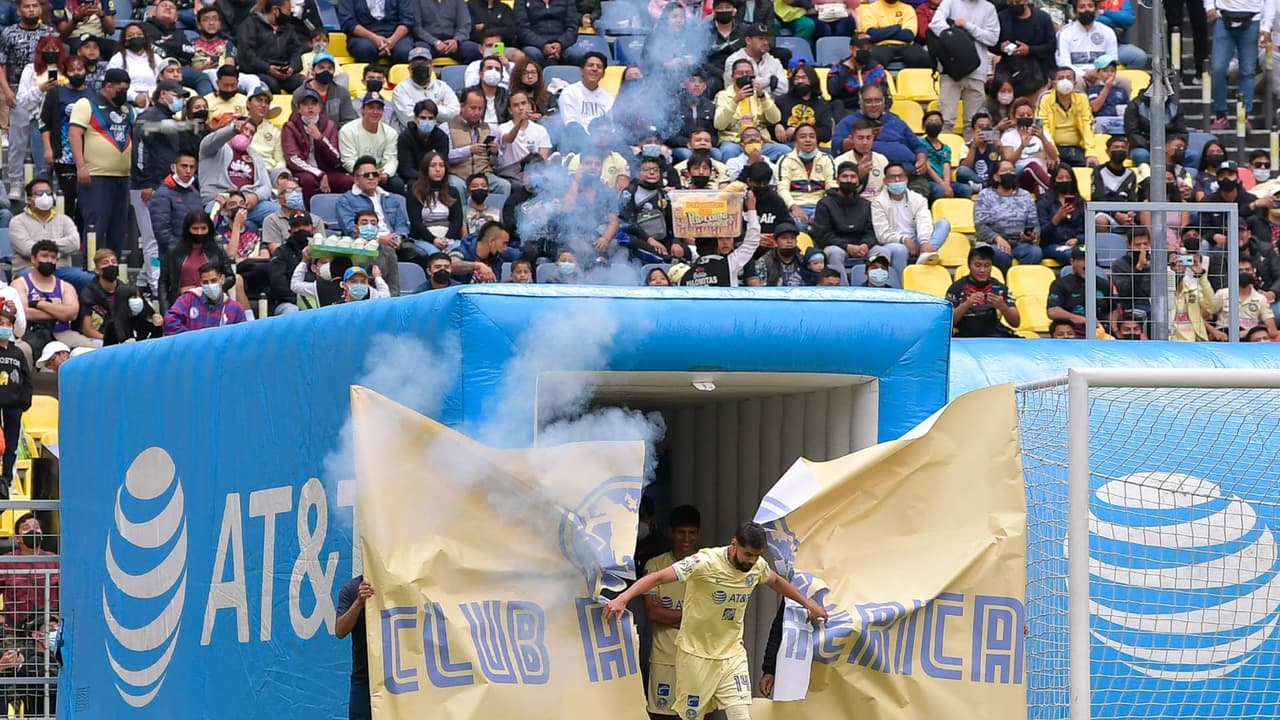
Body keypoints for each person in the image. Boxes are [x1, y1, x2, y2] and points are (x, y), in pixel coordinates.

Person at [603, 522, 828, 720]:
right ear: (733, 545)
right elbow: (659, 576)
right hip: (695, 655)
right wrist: (623, 598)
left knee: (740, 715)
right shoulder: (704, 562)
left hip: (731, 655)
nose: (751, 561)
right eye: (747, 554)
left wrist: (808, 604)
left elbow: (776, 581)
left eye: (756, 556)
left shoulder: (757, 566)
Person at [642, 504, 701, 720]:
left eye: (691, 533)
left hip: (699, 660)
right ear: (670, 533)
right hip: (664, 659)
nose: (686, 539)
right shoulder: (655, 565)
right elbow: (653, 613)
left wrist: (672, 616)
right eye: (680, 533)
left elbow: (713, 617)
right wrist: (691, 616)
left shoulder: (710, 566)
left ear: (698, 533)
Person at [70, 67, 134, 254]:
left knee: (118, 229)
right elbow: (75, 134)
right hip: (96, 176)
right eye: (119, 90)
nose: (122, 94)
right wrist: (80, 166)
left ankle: (113, 271)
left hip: (122, 176)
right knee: (96, 226)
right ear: (107, 85)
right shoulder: (87, 104)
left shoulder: (126, 109)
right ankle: (90, 269)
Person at [0, 0, 58, 200]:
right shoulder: (8, 33)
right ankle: (16, 181)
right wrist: (7, 91)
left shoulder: (50, 33)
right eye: (27, 6)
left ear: (40, 8)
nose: (31, 9)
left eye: (35, 5)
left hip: (45, 91)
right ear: (19, 10)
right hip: (18, 92)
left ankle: (43, 184)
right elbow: (2, 64)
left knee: (42, 141)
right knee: (17, 141)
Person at [338, 158, 415, 293]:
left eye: (375, 174)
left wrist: (397, 239)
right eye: (366, 175)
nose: (372, 178)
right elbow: (350, 229)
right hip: (363, 244)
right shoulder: (346, 200)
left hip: (394, 242)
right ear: (356, 179)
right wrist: (379, 239)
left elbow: (402, 225)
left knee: (421, 254)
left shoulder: (391, 197)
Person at [929, 0, 999, 137]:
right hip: (950, 70)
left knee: (974, 123)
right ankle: (946, 155)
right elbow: (935, 24)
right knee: (946, 120)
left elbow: (993, 38)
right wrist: (955, 35)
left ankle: (972, 155)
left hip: (977, 72)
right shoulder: (949, 2)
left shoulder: (989, 8)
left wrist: (968, 26)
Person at [39, 54, 94, 230]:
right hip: (63, 153)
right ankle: (65, 230)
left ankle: (82, 234)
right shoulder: (56, 93)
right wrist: (48, 148)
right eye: (72, 70)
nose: (76, 72)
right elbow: (44, 122)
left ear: (86, 70)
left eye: (80, 69)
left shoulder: (92, 94)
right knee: (68, 195)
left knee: (86, 198)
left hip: (88, 155)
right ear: (66, 72)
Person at [199, 118, 282, 228]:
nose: (248, 134)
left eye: (251, 132)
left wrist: (255, 196)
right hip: (221, 201)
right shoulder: (215, 149)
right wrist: (233, 130)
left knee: (281, 212)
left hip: (248, 203)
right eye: (245, 129)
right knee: (211, 213)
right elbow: (211, 141)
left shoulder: (256, 158)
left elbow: (266, 186)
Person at [10, 179, 92, 289]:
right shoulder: (17, 221)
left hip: (61, 269)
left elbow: (74, 244)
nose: (45, 196)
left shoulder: (64, 219)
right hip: (29, 269)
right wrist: (58, 250)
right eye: (39, 193)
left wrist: (43, 247)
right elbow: (27, 250)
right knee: (23, 279)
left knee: (90, 280)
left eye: (48, 193)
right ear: (29, 199)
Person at [16, 240, 94, 353]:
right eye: (44, 256)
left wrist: (39, 304)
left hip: (63, 333)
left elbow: (71, 314)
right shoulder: (20, 283)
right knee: (23, 350)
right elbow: (24, 313)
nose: (49, 260)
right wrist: (59, 313)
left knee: (92, 350)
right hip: (30, 333)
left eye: (53, 257)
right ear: (33, 259)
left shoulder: (65, 286)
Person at [871, 163, 949, 271]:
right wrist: (903, 239)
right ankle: (902, 282)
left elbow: (924, 222)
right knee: (900, 250)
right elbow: (882, 234)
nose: (897, 180)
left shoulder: (918, 199)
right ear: (885, 181)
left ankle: (924, 254)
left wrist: (924, 242)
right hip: (895, 243)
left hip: (917, 241)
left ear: (906, 179)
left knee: (944, 224)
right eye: (892, 177)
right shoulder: (878, 202)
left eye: (900, 176)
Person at [149, 151, 205, 299]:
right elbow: (162, 233)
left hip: (197, 255)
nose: (188, 171)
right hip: (173, 259)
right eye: (184, 166)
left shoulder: (195, 193)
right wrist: (184, 252)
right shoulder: (162, 194)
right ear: (174, 167)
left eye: (192, 167)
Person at [679, 189, 760, 286]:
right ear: (716, 245)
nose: (725, 242)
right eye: (720, 239)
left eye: (728, 238)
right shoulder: (729, 264)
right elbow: (752, 242)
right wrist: (751, 208)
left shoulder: (684, 277)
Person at [974, 158, 1042, 271]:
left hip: (1021, 243)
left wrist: (1031, 236)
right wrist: (997, 238)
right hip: (996, 243)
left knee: (1035, 252)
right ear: (996, 177)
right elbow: (980, 226)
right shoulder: (985, 195)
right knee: (999, 254)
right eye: (1005, 170)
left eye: (1012, 170)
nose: (1009, 173)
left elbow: (1034, 224)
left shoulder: (1025, 196)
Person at [285, 88, 353, 201]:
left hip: (326, 169)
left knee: (348, 181)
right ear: (299, 109)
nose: (310, 107)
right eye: (305, 104)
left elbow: (335, 158)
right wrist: (319, 174)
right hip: (303, 171)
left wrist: (320, 138)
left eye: (314, 104)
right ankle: (308, 214)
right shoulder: (290, 127)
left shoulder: (329, 125)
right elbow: (293, 158)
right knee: (308, 180)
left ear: (320, 108)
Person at [1206, 0, 1264, 130]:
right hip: (1223, 15)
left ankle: (1244, 116)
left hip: (1253, 16)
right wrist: (1209, 7)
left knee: (1248, 71)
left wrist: (1266, 25)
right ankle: (1220, 114)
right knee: (1218, 68)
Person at [714, 59, 787, 161]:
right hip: (735, 142)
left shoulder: (761, 94)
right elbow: (719, 125)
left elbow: (775, 119)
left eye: (748, 73)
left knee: (785, 150)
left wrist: (762, 97)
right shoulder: (723, 95)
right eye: (740, 73)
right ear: (732, 77)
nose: (744, 75)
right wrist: (735, 100)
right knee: (728, 151)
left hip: (760, 142)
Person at [445, 88, 511, 198]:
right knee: (457, 186)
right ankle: (463, 215)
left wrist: (495, 153)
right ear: (462, 106)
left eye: (480, 109)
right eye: (473, 108)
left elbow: (498, 164)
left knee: (504, 185)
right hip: (458, 175)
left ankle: (497, 215)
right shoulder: (447, 127)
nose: (477, 112)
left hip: (484, 175)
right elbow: (445, 157)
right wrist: (469, 150)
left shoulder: (490, 129)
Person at [946, 244, 1020, 337]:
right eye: (977, 265)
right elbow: (947, 324)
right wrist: (966, 305)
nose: (982, 270)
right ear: (969, 265)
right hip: (965, 335)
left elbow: (1016, 323)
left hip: (993, 334)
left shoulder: (999, 288)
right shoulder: (957, 287)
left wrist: (1002, 306)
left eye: (987, 265)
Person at [814, 161, 877, 270]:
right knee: (834, 253)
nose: (849, 180)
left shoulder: (866, 204)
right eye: (844, 176)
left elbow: (871, 230)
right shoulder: (825, 204)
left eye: (853, 177)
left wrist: (866, 244)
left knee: (882, 252)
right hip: (836, 246)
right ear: (837, 180)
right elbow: (822, 235)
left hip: (862, 246)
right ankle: (842, 286)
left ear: (858, 181)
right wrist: (847, 246)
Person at [1047, 244, 1118, 337]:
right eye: (1081, 259)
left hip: (1100, 332)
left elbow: (1113, 310)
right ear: (1072, 261)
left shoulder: (1104, 284)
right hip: (1072, 332)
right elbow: (1053, 311)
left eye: (1089, 259)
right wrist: (1084, 320)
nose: (1086, 263)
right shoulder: (1060, 284)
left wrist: (1114, 329)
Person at [340, 93, 404, 194]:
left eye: (379, 108)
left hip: (381, 173)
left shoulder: (391, 133)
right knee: (347, 182)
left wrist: (386, 173)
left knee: (397, 184)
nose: (375, 112)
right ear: (362, 110)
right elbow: (348, 161)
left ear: (383, 111)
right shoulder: (347, 130)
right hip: (357, 173)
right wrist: (368, 173)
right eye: (370, 108)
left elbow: (391, 160)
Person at [0, 515, 56, 628]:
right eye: (26, 528)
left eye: (36, 527)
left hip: (49, 630)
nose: (32, 531)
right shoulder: (6, 562)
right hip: (14, 632)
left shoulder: (54, 560)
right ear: (17, 538)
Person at [1036, 66, 1098, 168]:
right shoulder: (1045, 98)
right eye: (1061, 78)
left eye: (1069, 78)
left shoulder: (1082, 98)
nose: (1065, 81)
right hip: (1053, 147)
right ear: (1054, 83)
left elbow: (1088, 125)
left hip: (1077, 147)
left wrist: (1091, 153)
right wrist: (1051, 153)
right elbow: (1042, 126)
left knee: (1093, 167)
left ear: (1075, 83)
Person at [776, 124, 836, 227]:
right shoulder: (785, 160)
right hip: (795, 206)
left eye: (812, 136)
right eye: (803, 137)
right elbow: (782, 189)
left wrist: (821, 210)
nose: (808, 140)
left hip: (821, 206)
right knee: (796, 226)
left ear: (817, 140)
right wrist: (794, 207)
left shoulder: (827, 159)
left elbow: (832, 188)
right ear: (795, 141)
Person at [164, 262, 249, 334]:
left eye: (213, 281)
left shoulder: (235, 309)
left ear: (222, 279)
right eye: (205, 282)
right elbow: (170, 320)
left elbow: (242, 335)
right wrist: (189, 338)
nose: (210, 285)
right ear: (200, 283)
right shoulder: (188, 299)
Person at [995, 0, 1056, 99]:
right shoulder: (1002, 18)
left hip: (1039, 74)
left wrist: (1030, 50)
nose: (1014, 4)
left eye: (1018, 1)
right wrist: (1001, 47)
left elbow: (1051, 46)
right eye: (1011, 2)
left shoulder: (1043, 18)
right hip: (1010, 73)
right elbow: (992, 45)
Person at [392, 47, 461, 130]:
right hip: (412, 137)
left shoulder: (442, 86)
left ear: (432, 67)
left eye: (424, 64)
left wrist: (423, 111)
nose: (420, 67)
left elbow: (455, 114)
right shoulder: (401, 89)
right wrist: (439, 109)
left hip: (442, 134)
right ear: (409, 69)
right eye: (416, 65)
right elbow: (409, 119)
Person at [0, 308, 30, 495]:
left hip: (13, 407)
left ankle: (7, 481)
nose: (4, 327)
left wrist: (24, 401)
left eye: (8, 324)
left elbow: (27, 379)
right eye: (1, 323)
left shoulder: (17, 353)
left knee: (11, 446)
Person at [408, 152, 465, 252]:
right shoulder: (415, 192)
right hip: (425, 239)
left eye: (441, 166)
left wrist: (446, 239)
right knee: (435, 254)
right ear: (426, 169)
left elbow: (457, 220)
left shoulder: (452, 191)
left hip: (448, 238)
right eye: (433, 166)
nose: (438, 169)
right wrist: (433, 239)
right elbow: (416, 222)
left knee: (460, 252)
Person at [557, 52, 615, 149]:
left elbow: (611, 126)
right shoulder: (569, 92)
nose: (595, 69)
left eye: (599, 67)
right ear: (582, 71)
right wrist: (590, 140)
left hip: (603, 140)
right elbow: (570, 122)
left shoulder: (609, 97)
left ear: (604, 74)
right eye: (590, 65)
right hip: (576, 140)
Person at [336, 575, 374, 720]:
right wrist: (359, 602)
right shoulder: (351, 589)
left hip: (399, 682)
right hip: (363, 682)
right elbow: (340, 630)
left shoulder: (400, 584)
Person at [1000, 98, 1057, 194]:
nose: (1026, 117)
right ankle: (1055, 193)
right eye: (1021, 115)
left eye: (1029, 115)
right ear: (1014, 117)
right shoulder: (1008, 136)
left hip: (1040, 177)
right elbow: (1008, 162)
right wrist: (1022, 146)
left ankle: (1042, 202)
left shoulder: (1042, 133)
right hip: (1019, 177)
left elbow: (1054, 156)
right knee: (1032, 166)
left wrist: (1043, 138)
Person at [1036, 163, 1089, 264]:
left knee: (1090, 253)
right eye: (1060, 178)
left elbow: (1089, 230)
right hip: (1052, 244)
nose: (1064, 180)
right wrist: (1056, 219)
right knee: (1070, 254)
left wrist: (1077, 240)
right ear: (1054, 180)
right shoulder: (1044, 202)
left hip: (1077, 244)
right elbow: (1042, 234)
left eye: (1067, 178)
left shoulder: (1081, 203)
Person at [825, 34, 888, 117]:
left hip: (872, 110)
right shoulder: (838, 67)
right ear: (851, 49)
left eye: (868, 48)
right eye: (861, 48)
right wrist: (845, 69)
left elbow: (885, 95)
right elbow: (833, 91)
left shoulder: (877, 69)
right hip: (847, 111)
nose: (865, 51)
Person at [495, 90, 552, 183]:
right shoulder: (503, 128)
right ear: (510, 110)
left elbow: (543, 157)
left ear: (529, 106)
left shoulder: (540, 130)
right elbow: (509, 139)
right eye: (516, 105)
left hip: (533, 174)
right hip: (510, 175)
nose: (520, 108)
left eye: (523, 103)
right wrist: (520, 122)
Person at [857, 0, 931, 68]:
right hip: (879, 46)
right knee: (871, 61)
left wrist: (882, 32)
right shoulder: (869, 9)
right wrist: (897, 27)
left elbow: (908, 35)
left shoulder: (908, 9)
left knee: (924, 59)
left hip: (906, 46)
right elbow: (872, 35)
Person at [1055, 0, 1117, 81]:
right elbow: (1063, 63)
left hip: (1103, 75)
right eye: (1082, 7)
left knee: (1124, 81)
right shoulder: (1065, 33)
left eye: (1090, 6)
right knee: (1077, 82)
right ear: (1075, 11)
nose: (1087, 10)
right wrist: (1083, 74)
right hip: (1077, 76)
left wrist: (1100, 74)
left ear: (1096, 10)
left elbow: (1113, 59)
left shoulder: (1107, 31)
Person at [721, 23, 787, 99]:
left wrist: (759, 88)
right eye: (761, 39)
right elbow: (738, 87)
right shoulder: (733, 60)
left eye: (766, 39)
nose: (766, 42)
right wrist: (770, 81)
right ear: (748, 40)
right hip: (740, 105)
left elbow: (784, 89)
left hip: (769, 106)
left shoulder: (774, 61)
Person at [338, 0, 415, 64]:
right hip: (363, 36)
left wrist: (392, 41)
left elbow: (407, 20)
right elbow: (348, 23)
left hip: (396, 36)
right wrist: (374, 38)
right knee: (364, 49)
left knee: (404, 51)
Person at [294, 52, 358, 126]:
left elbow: (349, 121)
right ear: (313, 70)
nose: (326, 71)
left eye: (329, 68)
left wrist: (331, 134)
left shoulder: (342, 93)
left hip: (336, 135)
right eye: (321, 68)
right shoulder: (299, 94)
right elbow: (297, 123)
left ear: (333, 72)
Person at [398, 99, 451, 188]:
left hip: (437, 177)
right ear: (415, 118)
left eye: (430, 118)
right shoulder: (405, 137)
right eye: (423, 118)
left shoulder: (442, 137)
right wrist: (426, 177)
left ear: (435, 120)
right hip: (413, 178)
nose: (427, 121)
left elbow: (444, 163)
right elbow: (405, 168)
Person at [832, 118, 887, 199]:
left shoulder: (882, 160)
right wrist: (858, 177)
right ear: (851, 139)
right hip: (851, 204)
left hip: (878, 205)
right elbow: (836, 194)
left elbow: (887, 190)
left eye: (868, 138)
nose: (865, 142)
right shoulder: (840, 161)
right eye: (860, 138)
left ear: (873, 139)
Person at [515, 0, 584, 65]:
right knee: (533, 54)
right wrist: (543, 45)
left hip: (562, 45)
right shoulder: (522, 1)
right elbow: (522, 29)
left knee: (575, 55)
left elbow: (572, 27)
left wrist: (560, 44)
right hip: (535, 44)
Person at [77, 249, 122, 345]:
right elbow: (87, 329)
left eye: (114, 262)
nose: (111, 265)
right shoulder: (88, 293)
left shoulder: (124, 289)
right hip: (98, 338)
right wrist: (109, 340)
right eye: (105, 263)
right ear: (97, 270)